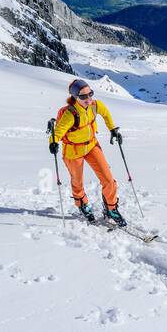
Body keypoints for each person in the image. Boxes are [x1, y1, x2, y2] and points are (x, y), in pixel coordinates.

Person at [50, 78, 127, 227]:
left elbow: (106, 114)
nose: (88, 98)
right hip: (73, 151)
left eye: (90, 94)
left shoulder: (95, 105)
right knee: (77, 182)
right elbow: (58, 131)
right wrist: (53, 142)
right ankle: (82, 204)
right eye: (83, 96)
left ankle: (111, 208)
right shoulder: (70, 114)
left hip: (91, 145)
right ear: (75, 97)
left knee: (108, 179)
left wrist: (112, 129)